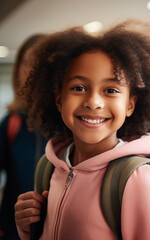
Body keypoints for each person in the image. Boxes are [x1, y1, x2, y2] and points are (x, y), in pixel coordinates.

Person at [14, 22, 150, 240]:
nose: (94, 102)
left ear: (130, 105)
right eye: (79, 88)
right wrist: (28, 228)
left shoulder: (139, 180)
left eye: (110, 90)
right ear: (60, 99)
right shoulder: (49, 167)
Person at [0, 34, 47, 240]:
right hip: (13, 231)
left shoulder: (73, 123)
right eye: (27, 63)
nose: (33, 70)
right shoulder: (11, 123)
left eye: (41, 63)